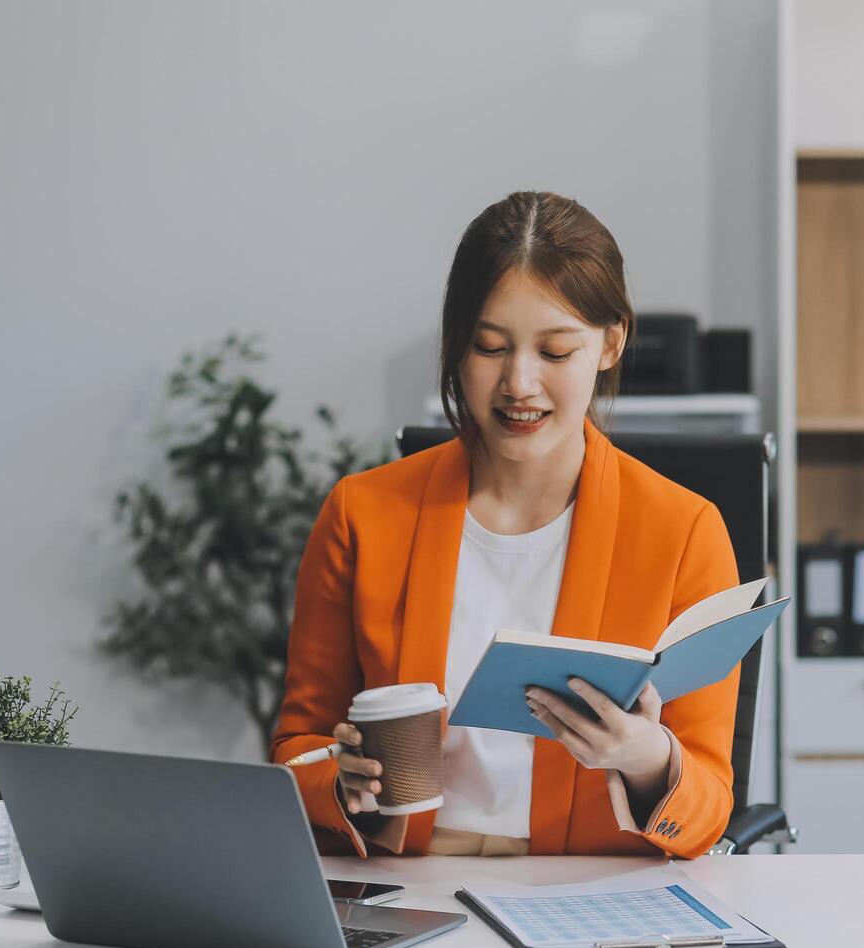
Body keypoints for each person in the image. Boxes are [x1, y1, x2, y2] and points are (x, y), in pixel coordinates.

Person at [272, 191, 740, 859]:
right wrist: (342, 784)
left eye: (555, 352)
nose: (519, 383)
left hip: (586, 897)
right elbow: (299, 747)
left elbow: (710, 807)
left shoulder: (684, 530)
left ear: (611, 344)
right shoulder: (363, 516)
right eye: (489, 347)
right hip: (412, 884)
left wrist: (646, 757)